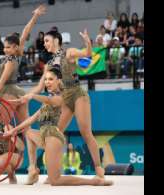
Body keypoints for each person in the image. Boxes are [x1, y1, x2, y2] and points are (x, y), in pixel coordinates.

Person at [23, 13, 107, 180]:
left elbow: (87, 53)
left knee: (85, 132)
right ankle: (53, 172)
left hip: (77, 94)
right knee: (55, 133)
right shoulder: (48, 64)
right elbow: (40, 86)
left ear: (56, 40)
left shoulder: (68, 53)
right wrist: (26, 96)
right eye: (44, 41)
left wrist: (88, 43)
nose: (44, 44)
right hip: (63, 98)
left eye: (47, 41)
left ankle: (99, 169)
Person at [6, 68, 113, 186]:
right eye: (45, 79)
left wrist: (32, 96)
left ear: (59, 80)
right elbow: (32, 119)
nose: (47, 82)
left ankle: (93, 181)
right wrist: (14, 131)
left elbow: (52, 101)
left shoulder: (63, 96)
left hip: (53, 136)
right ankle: (33, 169)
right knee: (29, 133)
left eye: (51, 79)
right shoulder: (46, 101)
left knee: (55, 181)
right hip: (44, 136)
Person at [0, 4, 46, 185]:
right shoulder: (17, 54)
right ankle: (32, 167)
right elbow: (25, 32)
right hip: (19, 93)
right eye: (4, 47)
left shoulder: (11, 60)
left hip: (8, 93)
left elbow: (2, 81)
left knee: (2, 127)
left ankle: (8, 169)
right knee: (26, 129)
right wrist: (35, 16)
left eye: (8, 47)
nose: (5, 50)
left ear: (15, 47)